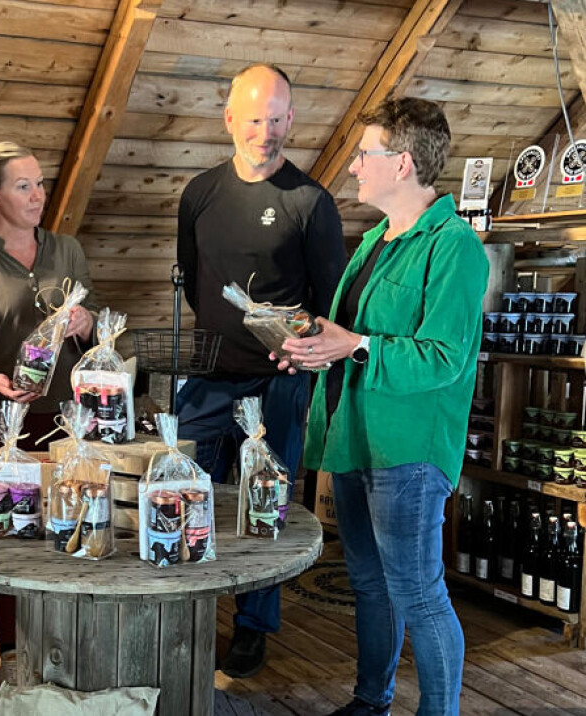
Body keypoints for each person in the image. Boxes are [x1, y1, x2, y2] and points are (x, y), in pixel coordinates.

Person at [279, 97, 488, 716]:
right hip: (354, 437)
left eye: (363, 154)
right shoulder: (375, 239)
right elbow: (352, 338)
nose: (352, 167)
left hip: (409, 451)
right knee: (370, 584)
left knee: (418, 593)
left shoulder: (454, 247)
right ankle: (372, 702)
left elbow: (444, 357)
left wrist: (356, 345)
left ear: (402, 163)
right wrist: (312, 347)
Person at [175, 63, 347, 678]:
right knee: (187, 494)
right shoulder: (199, 194)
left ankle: (252, 626)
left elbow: (330, 304)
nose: (265, 132)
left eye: (276, 120)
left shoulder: (311, 202)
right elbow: (194, 283)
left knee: (264, 505)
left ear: (291, 119)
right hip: (207, 379)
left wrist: (293, 342)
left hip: (280, 384)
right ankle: (186, 609)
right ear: (229, 119)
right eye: (254, 119)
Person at [0, 140, 98, 678]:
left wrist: (87, 323)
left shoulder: (68, 251)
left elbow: (95, 327)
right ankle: (14, 649)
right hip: (6, 423)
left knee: (77, 521)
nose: (38, 196)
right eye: (23, 186)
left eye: (40, 184)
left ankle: (73, 636)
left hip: (71, 420)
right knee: (12, 533)